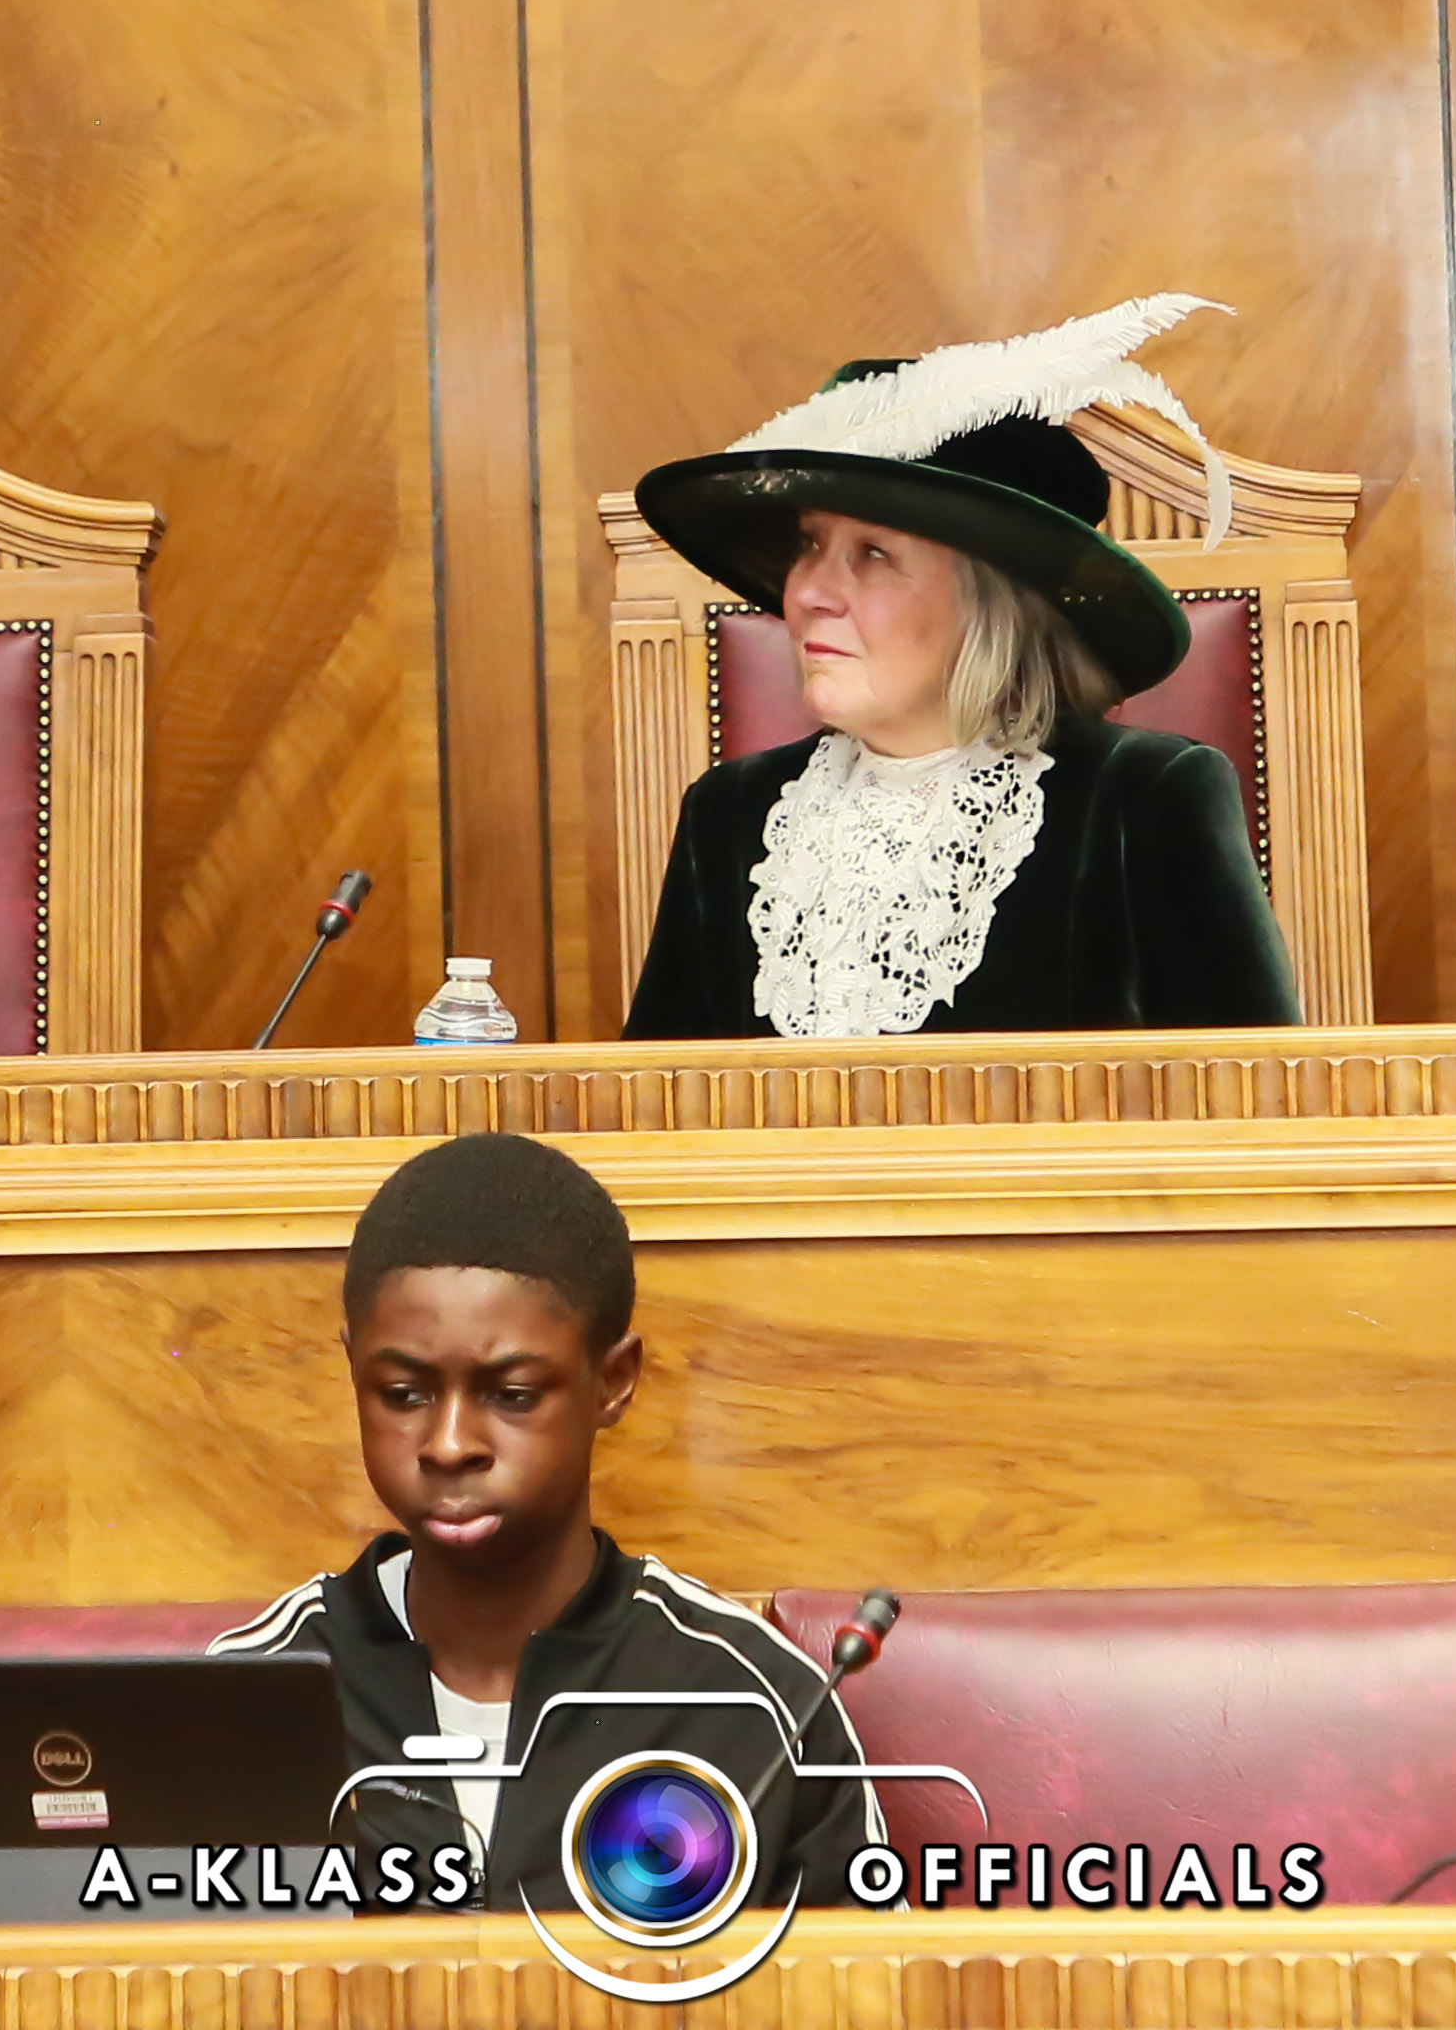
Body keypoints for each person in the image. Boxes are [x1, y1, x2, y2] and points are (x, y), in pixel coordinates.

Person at [213, 1133, 874, 1911]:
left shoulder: (754, 1706)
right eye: (403, 1395)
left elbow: (873, 1979)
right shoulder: (247, 1698)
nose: (449, 1444)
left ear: (613, 1381)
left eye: (513, 1395)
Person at [620, 296, 1294, 1037]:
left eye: (872, 554)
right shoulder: (726, 815)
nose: (807, 593)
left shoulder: (1144, 800)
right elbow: (658, 1096)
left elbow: (1255, 1096)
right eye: (810, 545)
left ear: (988, 602)